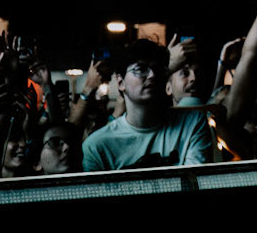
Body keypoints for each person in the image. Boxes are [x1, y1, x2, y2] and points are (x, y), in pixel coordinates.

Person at [81, 42, 216, 171]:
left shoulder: (193, 123)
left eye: (157, 69)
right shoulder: (98, 146)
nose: (152, 75)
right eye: (140, 69)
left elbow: (196, 183)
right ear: (121, 82)